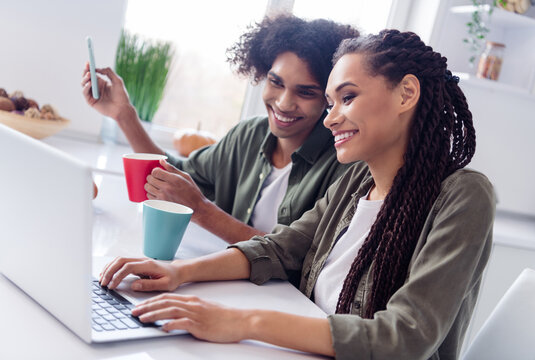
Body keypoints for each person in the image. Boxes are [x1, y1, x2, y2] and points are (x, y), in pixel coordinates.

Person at [99, 30, 496, 359]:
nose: (331, 117)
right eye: (330, 102)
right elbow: (281, 247)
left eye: (348, 97)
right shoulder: (357, 180)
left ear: (406, 94)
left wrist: (243, 322)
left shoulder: (463, 196)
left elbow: (406, 336)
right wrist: (178, 273)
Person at [82, 15, 359, 245]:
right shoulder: (248, 135)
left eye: (306, 92)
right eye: (276, 82)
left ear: (328, 96)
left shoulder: (342, 161)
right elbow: (177, 177)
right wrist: (125, 115)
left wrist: (202, 210)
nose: (284, 103)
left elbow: (300, 255)